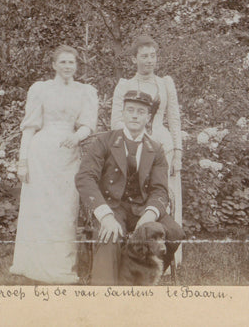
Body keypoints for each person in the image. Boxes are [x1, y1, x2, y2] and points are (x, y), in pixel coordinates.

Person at [75, 90, 185, 285]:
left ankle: (143, 276)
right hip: (112, 207)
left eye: (141, 112)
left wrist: (149, 215)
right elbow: (85, 177)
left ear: (148, 117)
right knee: (110, 236)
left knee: (174, 232)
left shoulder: (156, 148)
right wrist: (105, 216)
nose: (135, 115)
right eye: (130, 110)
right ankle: (105, 297)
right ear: (123, 113)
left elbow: (160, 189)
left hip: (143, 208)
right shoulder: (105, 141)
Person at [10, 45, 98, 284]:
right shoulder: (40, 89)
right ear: (54, 65)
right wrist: (23, 162)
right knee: (41, 208)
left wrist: (77, 137)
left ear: (76, 66)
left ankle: (61, 265)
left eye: (72, 62)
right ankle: (34, 263)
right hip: (41, 154)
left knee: (65, 210)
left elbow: (88, 124)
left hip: (68, 156)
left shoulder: (85, 91)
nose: (68, 66)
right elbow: (29, 128)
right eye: (63, 62)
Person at [111, 35, 183, 265]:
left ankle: (165, 255)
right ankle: (136, 254)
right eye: (144, 56)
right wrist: (136, 141)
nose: (149, 61)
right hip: (134, 147)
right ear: (134, 59)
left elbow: (174, 119)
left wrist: (178, 152)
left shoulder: (165, 83)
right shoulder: (125, 85)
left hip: (163, 145)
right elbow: (116, 122)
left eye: (153, 55)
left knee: (163, 197)